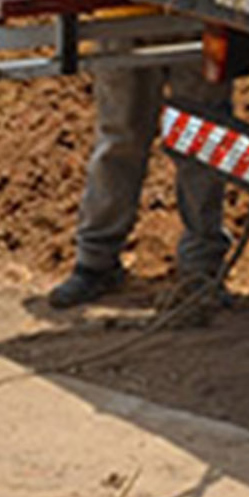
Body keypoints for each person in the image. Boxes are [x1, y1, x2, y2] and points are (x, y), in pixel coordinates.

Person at [49, 55, 231, 312]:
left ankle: (201, 272)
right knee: (120, 140)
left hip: (195, 23)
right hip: (122, 21)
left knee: (202, 140)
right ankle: (95, 264)